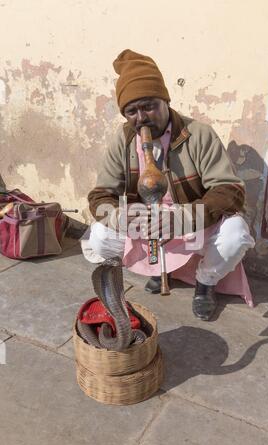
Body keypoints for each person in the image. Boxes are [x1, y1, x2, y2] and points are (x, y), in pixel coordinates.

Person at [83, 49, 255, 321]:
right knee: (99, 235)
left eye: (149, 105)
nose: (141, 118)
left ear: (165, 100)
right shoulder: (124, 139)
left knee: (236, 233)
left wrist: (183, 218)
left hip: (190, 223)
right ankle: (157, 270)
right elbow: (99, 196)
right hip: (147, 226)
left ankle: (206, 282)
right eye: (131, 111)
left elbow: (229, 191)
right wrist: (122, 217)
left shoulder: (198, 134)